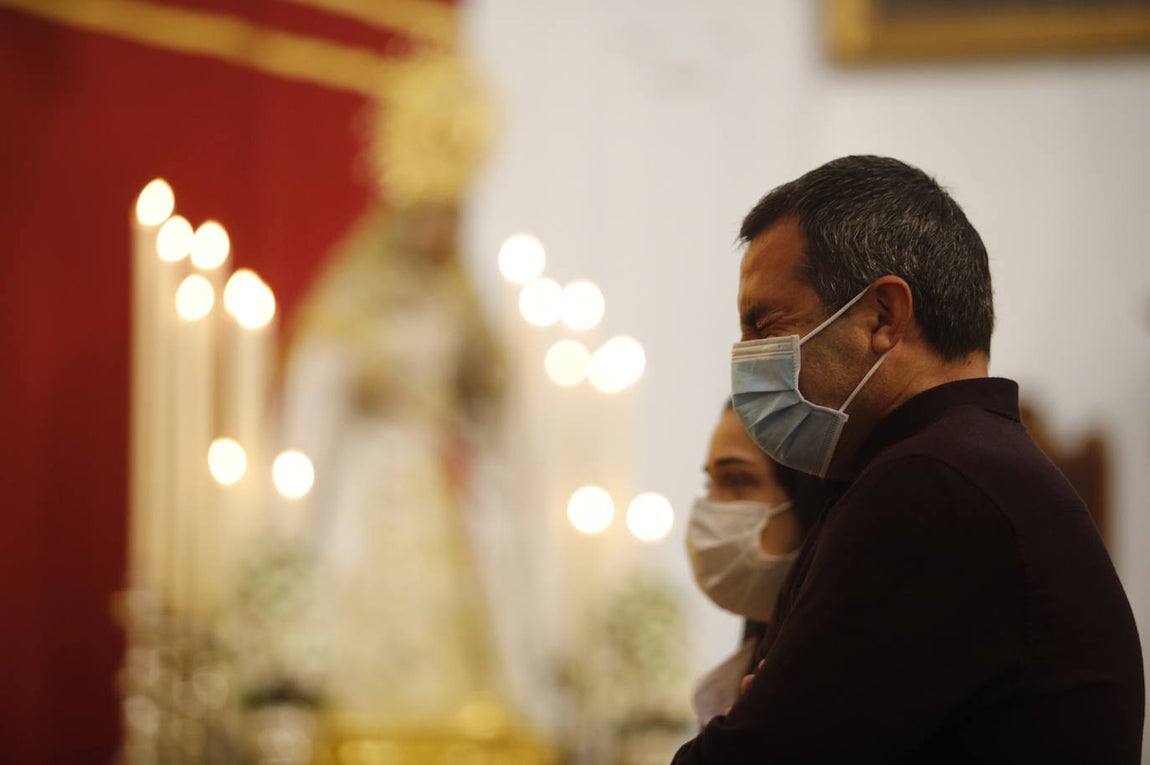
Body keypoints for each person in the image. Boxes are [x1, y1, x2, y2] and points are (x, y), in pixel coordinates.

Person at [672, 156, 1143, 763]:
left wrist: (755, 714)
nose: (746, 357)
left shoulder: (930, 485)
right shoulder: (968, 466)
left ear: (884, 318)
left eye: (766, 325)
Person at [686, 401, 837, 724]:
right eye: (709, 482)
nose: (710, 507)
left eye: (736, 480)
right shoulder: (744, 673)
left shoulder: (839, 685)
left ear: (808, 492)